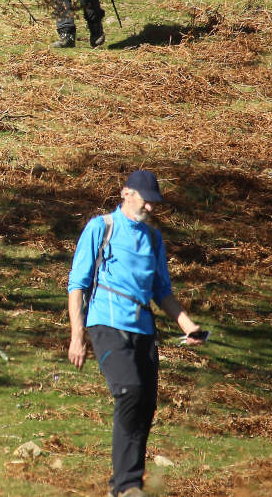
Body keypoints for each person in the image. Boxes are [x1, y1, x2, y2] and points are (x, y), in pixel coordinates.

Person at [67, 170, 207, 497]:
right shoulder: (101, 227)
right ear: (126, 193)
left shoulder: (154, 239)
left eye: (154, 202)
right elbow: (78, 284)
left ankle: (130, 484)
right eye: (146, 200)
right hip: (107, 323)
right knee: (129, 391)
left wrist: (190, 327)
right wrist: (77, 336)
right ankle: (125, 486)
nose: (151, 208)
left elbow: (162, 291)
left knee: (146, 403)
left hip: (144, 329)